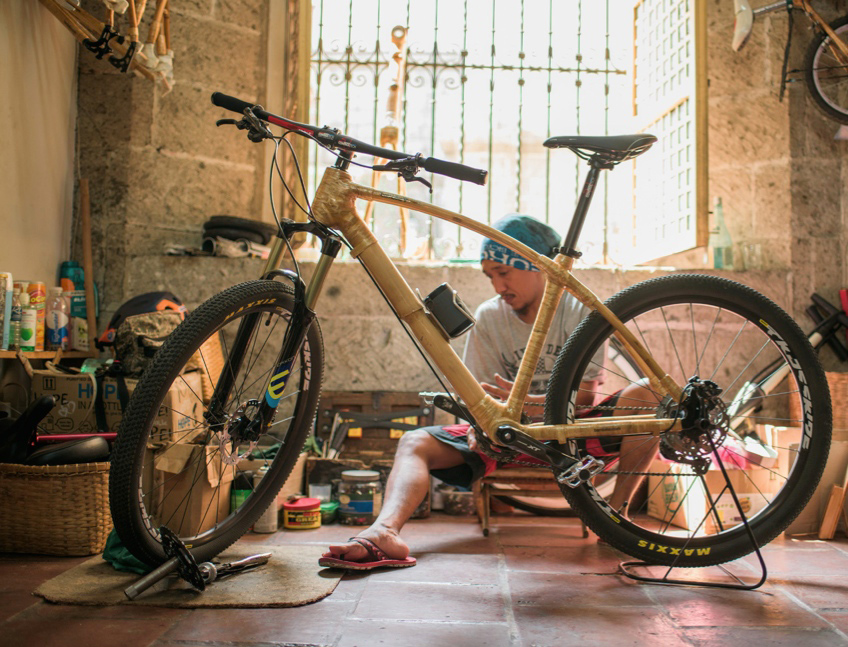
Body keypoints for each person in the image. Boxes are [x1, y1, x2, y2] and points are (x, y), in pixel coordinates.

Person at [319, 215, 658, 570]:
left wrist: (526, 401)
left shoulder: (578, 310)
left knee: (649, 392)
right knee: (414, 442)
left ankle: (615, 520)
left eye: (504, 272)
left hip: (571, 432)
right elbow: (477, 400)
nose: (498, 286)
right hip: (508, 435)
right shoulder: (490, 317)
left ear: (535, 265)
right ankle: (384, 531)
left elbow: (585, 398)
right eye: (490, 276)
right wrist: (485, 422)